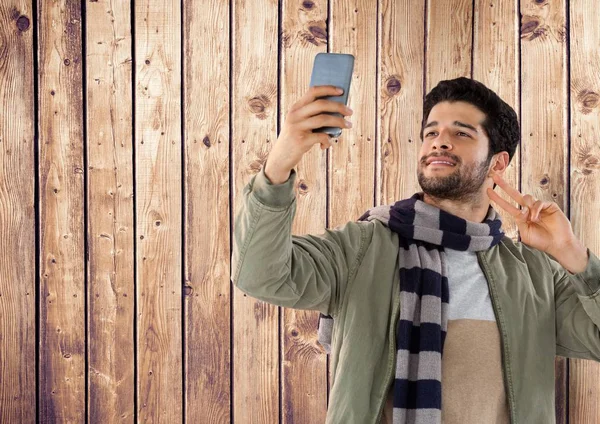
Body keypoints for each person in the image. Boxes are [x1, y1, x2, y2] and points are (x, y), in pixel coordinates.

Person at [231, 77, 600, 424]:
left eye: (461, 133)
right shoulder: (364, 247)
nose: (440, 141)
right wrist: (279, 164)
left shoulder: (534, 273)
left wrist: (571, 253)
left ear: (498, 163)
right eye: (431, 132)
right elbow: (260, 275)